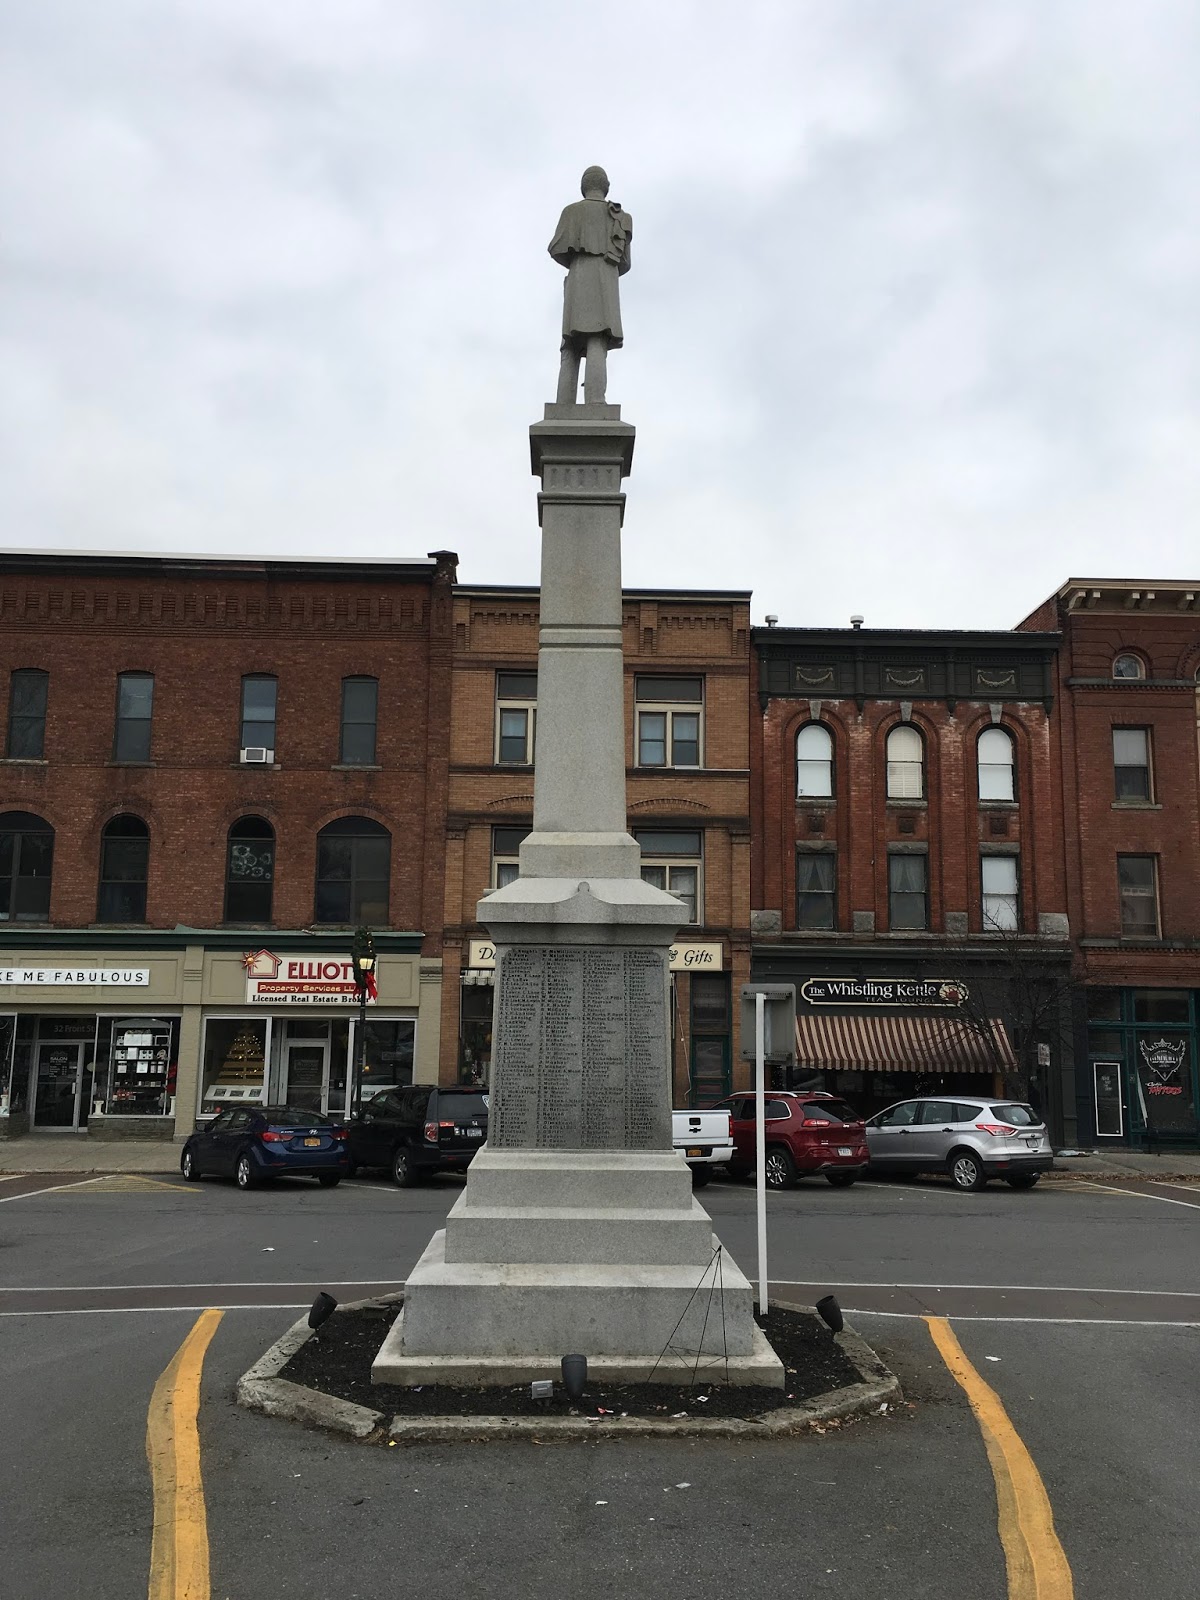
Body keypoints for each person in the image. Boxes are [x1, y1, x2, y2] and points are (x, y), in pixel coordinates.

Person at [548, 166, 632, 404]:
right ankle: (596, 401)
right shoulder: (621, 218)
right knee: (597, 340)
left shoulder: (571, 212)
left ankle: (563, 403)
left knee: (570, 345)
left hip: (578, 277)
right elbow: (625, 262)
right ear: (606, 187)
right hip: (606, 281)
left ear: (583, 187)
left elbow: (556, 249)